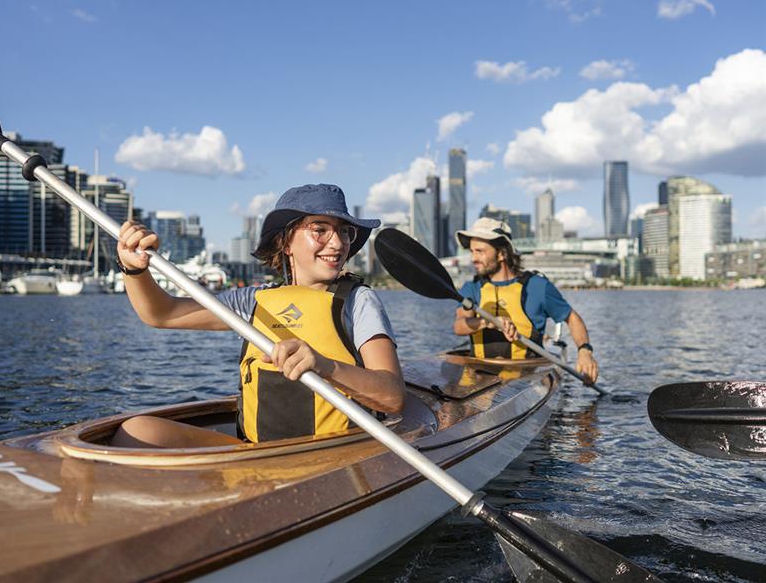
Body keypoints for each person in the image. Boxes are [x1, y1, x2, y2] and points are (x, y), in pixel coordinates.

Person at [112, 184, 405, 447]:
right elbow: (162, 314)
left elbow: (392, 397)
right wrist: (135, 270)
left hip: (332, 455)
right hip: (257, 454)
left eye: (344, 231)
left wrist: (325, 366)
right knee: (136, 430)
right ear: (287, 242)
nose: (338, 243)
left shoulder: (358, 301)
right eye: (320, 230)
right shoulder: (252, 301)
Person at [452, 217, 599, 385]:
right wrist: (487, 322)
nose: (473, 258)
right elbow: (459, 325)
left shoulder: (537, 286)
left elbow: (572, 318)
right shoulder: (471, 288)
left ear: (502, 253)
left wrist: (585, 351)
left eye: (480, 251)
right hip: (479, 377)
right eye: (472, 251)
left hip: (526, 379)